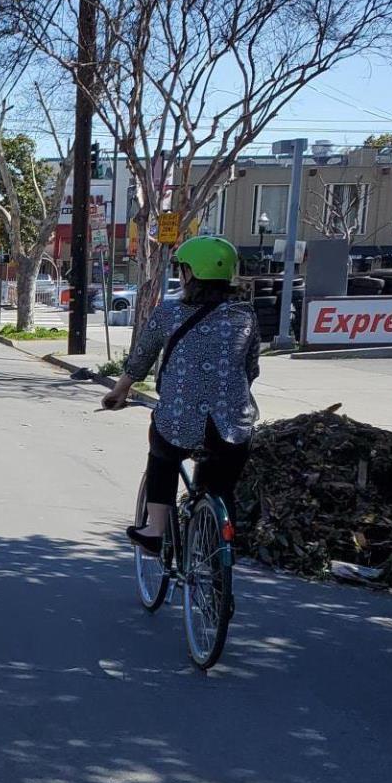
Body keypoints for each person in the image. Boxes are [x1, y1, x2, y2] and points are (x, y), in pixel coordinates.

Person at [102, 235, 260, 550]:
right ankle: (219, 544)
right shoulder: (246, 316)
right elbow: (251, 368)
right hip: (234, 425)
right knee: (221, 484)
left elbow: (141, 359)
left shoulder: (169, 314)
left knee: (161, 452)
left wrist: (120, 392)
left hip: (180, 422)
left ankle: (155, 530)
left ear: (189, 274)